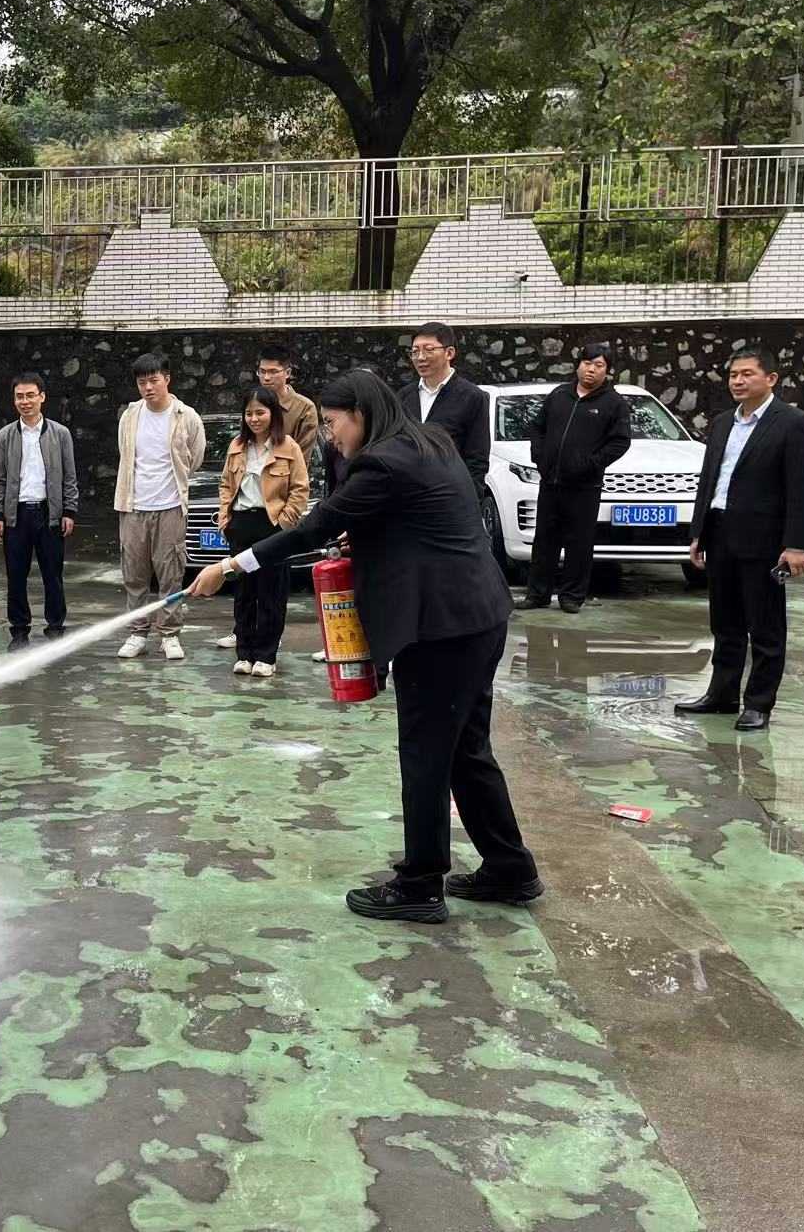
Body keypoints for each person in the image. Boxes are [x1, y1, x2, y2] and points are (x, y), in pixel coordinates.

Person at [189, 369, 541, 924]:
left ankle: (420, 884)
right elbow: (419, 519)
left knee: (426, 755)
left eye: (333, 423)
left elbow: (314, 528)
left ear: (362, 414)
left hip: (440, 629)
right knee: (466, 749)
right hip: (479, 614)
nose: (330, 436)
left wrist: (233, 566)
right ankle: (510, 869)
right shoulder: (430, 443)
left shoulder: (381, 463)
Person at [675, 348, 804, 731]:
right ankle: (721, 695)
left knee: (765, 628)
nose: (738, 380)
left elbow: (800, 489)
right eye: (733, 374)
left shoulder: (792, 423)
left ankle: (758, 704)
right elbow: (710, 480)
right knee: (725, 623)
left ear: (771, 379)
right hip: (720, 533)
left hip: (764, 540)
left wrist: (796, 544)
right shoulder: (723, 423)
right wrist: (698, 532)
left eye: (747, 373)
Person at [515, 341, 632, 614]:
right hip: (550, 483)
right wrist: (540, 457)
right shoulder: (559, 395)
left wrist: (591, 464)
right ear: (578, 365)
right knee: (544, 541)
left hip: (585, 487)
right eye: (587, 363)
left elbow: (620, 442)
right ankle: (538, 594)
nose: (591, 369)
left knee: (579, 544)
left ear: (607, 370)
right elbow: (537, 427)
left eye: (598, 365)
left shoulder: (613, 404)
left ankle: (571, 597)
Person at [114, 352, 206, 661]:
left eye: (154, 380)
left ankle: (169, 633)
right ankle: (137, 633)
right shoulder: (130, 416)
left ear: (167, 379)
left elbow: (195, 457)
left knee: (171, 573)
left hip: (170, 506)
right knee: (134, 574)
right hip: (133, 505)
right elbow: (125, 454)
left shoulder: (186, 416)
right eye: (142, 382)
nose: (148, 387)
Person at [217, 386, 309, 677]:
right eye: (249, 413)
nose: (254, 419)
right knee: (243, 593)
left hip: (272, 526)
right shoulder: (237, 446)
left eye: (260, 412)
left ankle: (266, 656)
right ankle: (244, 654)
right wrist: (225, 519)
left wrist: (284, 524)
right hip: (241, 524)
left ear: (273, 414)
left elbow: (300, 490)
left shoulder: (289, 447)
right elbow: (226, 485)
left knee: (271, 593)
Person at [0, 372, 79, 651]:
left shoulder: (60, 434)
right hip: (16, 515)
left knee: (52, 575)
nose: (25, 401)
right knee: (16, 576)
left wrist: (69, 510)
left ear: (42, 397)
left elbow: (69, 476)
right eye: (19, 396)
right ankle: (19, 631)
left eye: (30, 395)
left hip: (49, 513)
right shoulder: (5, 436)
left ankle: (55, 627)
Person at [404, 322, 490, 484]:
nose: (420, 357)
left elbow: (477, 459)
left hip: (450, 491)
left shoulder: (472, 397)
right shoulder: (404, 397)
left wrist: (469, 495)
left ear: (449, 353)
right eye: (415, 351)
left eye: (429, 350)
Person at [256, 342, 318, 449]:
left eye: (273, 372)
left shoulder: (304, 408)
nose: (266, 377)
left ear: (288, 373)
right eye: (262, 371)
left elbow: (302, 455)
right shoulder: (253, 402)